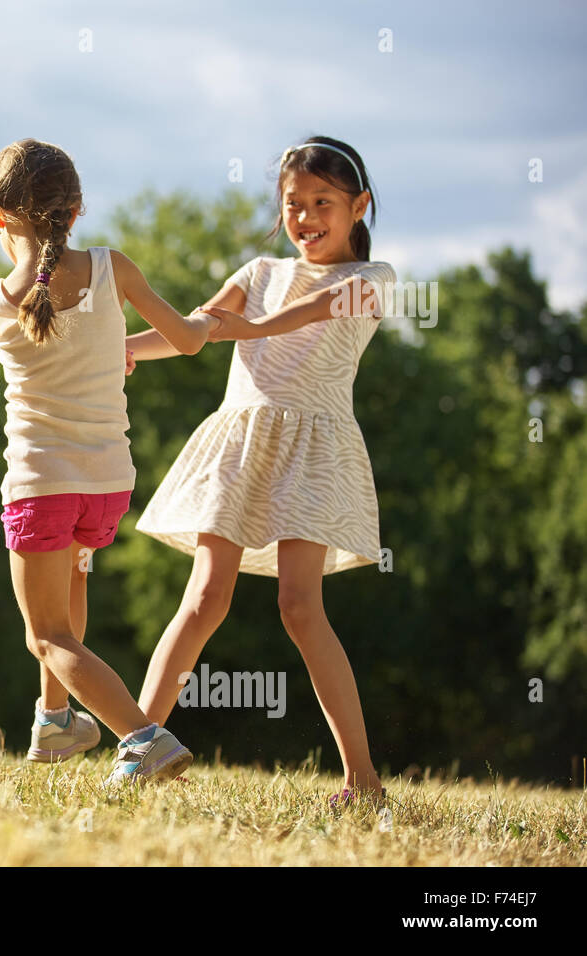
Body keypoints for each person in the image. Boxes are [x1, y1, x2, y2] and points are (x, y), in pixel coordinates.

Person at [0, 138, 216, 785]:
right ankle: (55, 723)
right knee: (72, 592)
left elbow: (51, 330)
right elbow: (191, 341)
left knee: (47, 636)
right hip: (108, 487)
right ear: (77, 209)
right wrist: (201, 320)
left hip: (41, 488)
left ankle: (143, 738)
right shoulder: (117, 270)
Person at [126, 136, 396, 807]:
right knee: (204, 596)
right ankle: (136, 751)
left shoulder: (373, 279)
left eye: (322, 202)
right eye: (293, 204)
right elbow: (195, 329)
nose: (305, 216)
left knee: (301, 607)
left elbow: (305, 316)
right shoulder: (258, 270)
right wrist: (122, 350)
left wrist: (234, 330)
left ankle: (363, 782)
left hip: (314, 448)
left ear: (358, 204)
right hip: (242, 442)